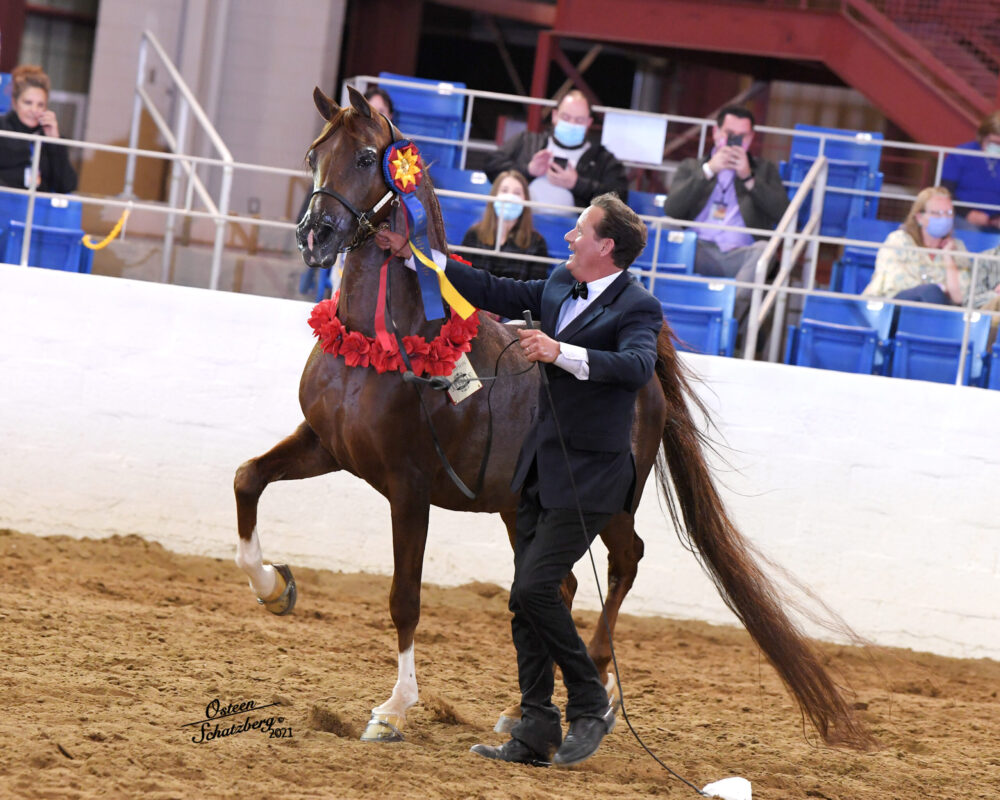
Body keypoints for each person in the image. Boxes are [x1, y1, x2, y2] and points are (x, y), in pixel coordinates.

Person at [375, 193, 661, 768]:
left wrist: (562, 352)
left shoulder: (638, 307)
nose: (569, 238)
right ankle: (535, 729)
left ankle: (588, 703)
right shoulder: (559, 283)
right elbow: (495, 289)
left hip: (594, 474)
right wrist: (415, 257)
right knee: (521, 599)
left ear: (607, 247)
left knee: (534, 589)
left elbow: (636, 367)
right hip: (541, 464)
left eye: (580, 230)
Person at [662, 105, 788, 321]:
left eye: (743, 136)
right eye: (730, 135)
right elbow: (672, 209)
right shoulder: (692, 167)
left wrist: (749, 179)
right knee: (664, 226)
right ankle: (665, 312)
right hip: (696, 250)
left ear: (751, 137)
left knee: (763, 251)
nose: (735, 142)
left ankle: (725, 321)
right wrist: (709, 170)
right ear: (715, 132)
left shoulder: (764, 170)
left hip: (739, 254)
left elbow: (783, 214)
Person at [485, 90, 628, 210]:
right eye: (565, 117)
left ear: (589, 123)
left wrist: (577, 184)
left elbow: (619, 198)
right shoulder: (527, 141)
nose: (571, 124)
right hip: (522, 226)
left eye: (579, 120)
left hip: (574, 234)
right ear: (554, 116)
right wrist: (528, 170)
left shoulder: (603, 159)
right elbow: (491, 164)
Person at [863, 186, 970, 305]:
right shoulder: (899, 240)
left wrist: (948, 256)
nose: (944, 218)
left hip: (937, 312)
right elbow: (897, 282)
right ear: (919, 217)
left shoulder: (957, 247)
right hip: (893, 306)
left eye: (949, 213)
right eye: (937, 213)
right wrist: (940, 289)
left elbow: (960, 297)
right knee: (931, 292)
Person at [0, 65, 77, 193]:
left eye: (40, 104)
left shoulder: (47, 136)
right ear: (14, 102)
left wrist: (55, 141)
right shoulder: (2, 128)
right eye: (28, 103)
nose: (34, 110)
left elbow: (67, 186)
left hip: (39, 208)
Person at [460, 170, 549, 280]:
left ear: (525, 200)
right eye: (504, 191)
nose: (510, 197)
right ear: (494, 195)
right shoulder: (474, 234)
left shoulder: (537, 242)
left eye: (517, 193)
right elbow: (462, 277)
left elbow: (535, 289)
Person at [940, 110, 1000, 231]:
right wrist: (968, 214)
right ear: (983, 136)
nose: (997, 147)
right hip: (962, 216)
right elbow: (945, 191)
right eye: (993, 142)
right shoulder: (961, 154)